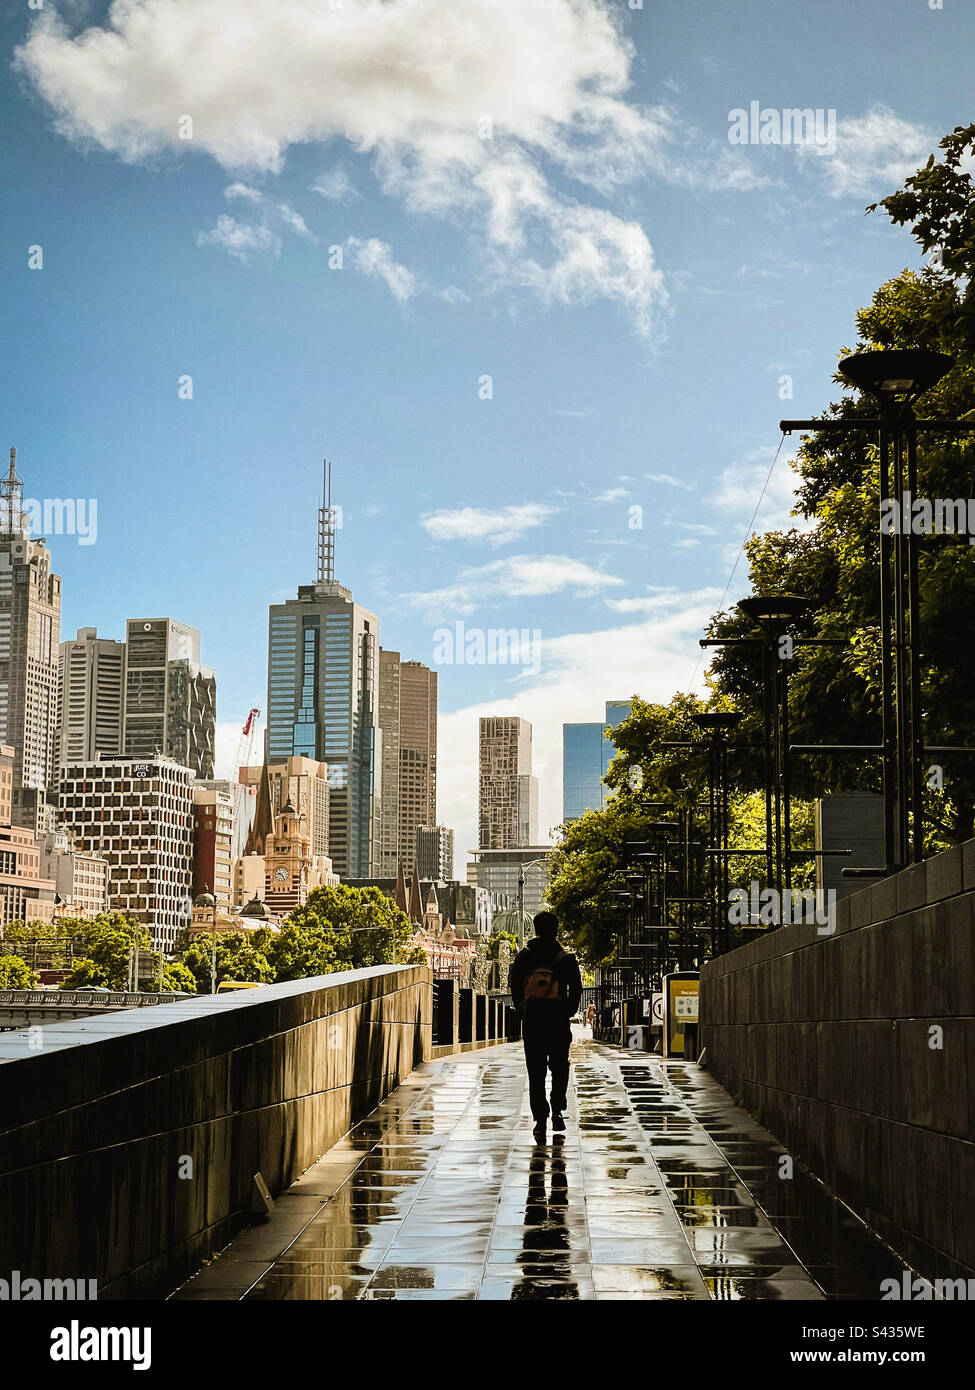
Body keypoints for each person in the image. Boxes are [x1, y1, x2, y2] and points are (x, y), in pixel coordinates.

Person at [508, 910, 582, 1138]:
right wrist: (566, 1011)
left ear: (536, 929)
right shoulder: (566, 959)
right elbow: (577, 990)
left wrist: (523, 1009)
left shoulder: (524, 957)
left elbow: (514, 986)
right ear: (556, 929)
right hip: (557, 1021)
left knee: (536, 1070)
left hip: (533, 1022)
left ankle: (540, 1116)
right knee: (560, 1066)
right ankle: (558, 1109)